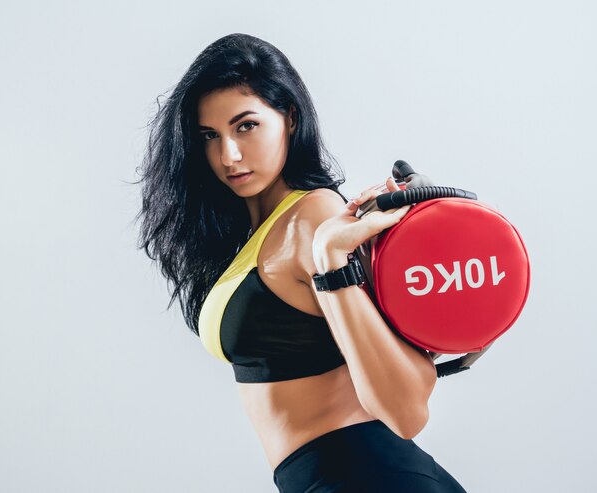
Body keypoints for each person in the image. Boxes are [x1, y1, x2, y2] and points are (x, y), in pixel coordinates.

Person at [136, 32, 467, 493]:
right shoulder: (260, 228)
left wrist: (332, 258)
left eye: (246, 126)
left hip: (368, 476)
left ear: (289, 117)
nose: (228, 155)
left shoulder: (314, 217)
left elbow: (407, 412)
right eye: (210, 135)